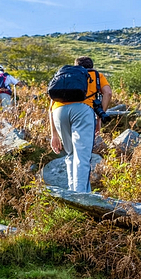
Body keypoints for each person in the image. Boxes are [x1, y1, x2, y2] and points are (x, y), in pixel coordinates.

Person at [49, 57, 112, 193]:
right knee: (82, 156)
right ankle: (80, 197)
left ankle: (73, 191)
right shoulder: (96, 75)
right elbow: (108, 92)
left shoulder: (65, 76)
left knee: (70, 154)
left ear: (75, 66)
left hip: (58, 112)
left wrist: (54, 134)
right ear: (91, 66)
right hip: (82, 110)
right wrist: (100, 117)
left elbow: (50, 107)